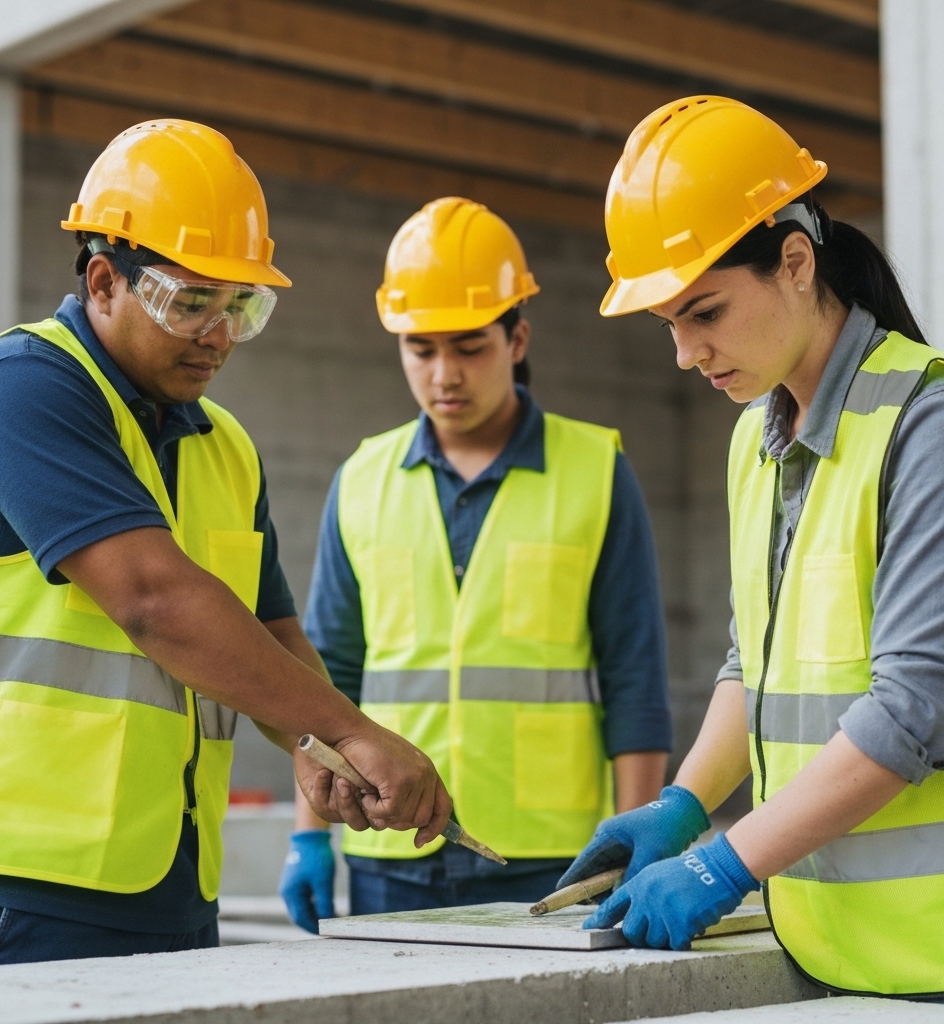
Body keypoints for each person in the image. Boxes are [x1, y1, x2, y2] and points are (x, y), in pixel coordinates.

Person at [0, 119, 449, 967]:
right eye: (190, 302)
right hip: (16, 883)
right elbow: (155, 601)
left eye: (241, 307)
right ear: (103, 280)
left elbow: (274, 629)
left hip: (171, 877)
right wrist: (357, 731)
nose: (217, 335)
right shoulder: (14, 391)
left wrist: (317, 751)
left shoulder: (224, 443)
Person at [558, 95, 944, 1002]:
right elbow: (762, 665)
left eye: (704, 312)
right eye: (668, 324)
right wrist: (685, 804)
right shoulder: (758, 434)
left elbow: (917, 709)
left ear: (794, 262)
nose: (684, 354)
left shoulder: (934, 420)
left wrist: (723, 865)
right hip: (830, 953)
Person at [280, 197, 672, 933]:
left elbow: (636, 681)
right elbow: (324, 676)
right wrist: (309, 834)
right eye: (421, 350)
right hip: (388, 848)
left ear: (517, 337)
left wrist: (635, 840)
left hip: (552, 857)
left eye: (469, 346)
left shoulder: (595, 471)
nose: (444, 375)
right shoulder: (362, 479)